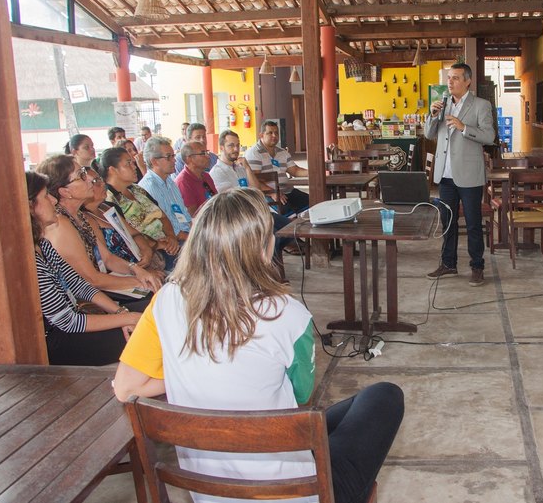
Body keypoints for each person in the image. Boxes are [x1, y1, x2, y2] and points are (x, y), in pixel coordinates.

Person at [113, 188, 404, 503]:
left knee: (330, 418)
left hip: (209, 493)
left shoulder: (165, 301)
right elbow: (300, 396)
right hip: (295, 492)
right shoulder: (288, 314)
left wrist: (187, 367)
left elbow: (126, 388)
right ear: (264, 249)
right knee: (383, 396)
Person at [26, 171, 143, 366]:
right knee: (146, 335)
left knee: (148, 316)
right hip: (59, 340)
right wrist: (127, 318)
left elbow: (79, 285)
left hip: (76, 321)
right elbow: (67, 321)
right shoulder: (30, 261)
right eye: (46, 196)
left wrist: (120, 313)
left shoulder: (43, 246)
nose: (53, 200)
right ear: (30, 207)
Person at [37, 155, 162, 301]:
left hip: (102, 289)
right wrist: (139, 281)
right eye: (81, 175)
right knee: (156, 297)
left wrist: (135, 269)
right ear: (65, 192)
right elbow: (92, 279)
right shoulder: (62, 223)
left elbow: (107, 258)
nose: (89, 179)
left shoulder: (80, 215)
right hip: (87, 300)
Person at [424, 63, 495, 287]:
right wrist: (432, 115)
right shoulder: (443, 104)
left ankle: (477, 267)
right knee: (448, 221)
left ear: (467, 81)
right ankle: (448, 263)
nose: (450, 82)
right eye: (449, 78)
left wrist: (464, 127)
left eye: (455, 78)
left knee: (473, 223)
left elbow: (489, 136)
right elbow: (428, 134)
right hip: (445, 175)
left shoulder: (481, 105)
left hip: (469, 175)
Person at [209, 129, 301, 256]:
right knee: (271, 237)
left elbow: (257, 190)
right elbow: (231, 200)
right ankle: (268, 261)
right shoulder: (217, 172)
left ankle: (271, 255)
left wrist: (247, 168)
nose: (236, 149)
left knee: (291, 228)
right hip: (239, 217)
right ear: (221, 148)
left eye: (238, 145)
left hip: (255, 212)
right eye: (231, 145)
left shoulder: (240, 167)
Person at [101, 147, 182, 267]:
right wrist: (158, 245)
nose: (134, 167)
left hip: (168, 244)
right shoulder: (109, 200)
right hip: (147, 253)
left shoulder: (137, 189)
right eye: (128, 164)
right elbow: (127, 235)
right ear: (112, 170)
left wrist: (171, 236)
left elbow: (163, 217)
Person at [82, 166, 161, 272]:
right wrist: (140, 271)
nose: (103, 183)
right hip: (124, 272)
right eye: (95, 181)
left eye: (100, 178)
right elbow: (107, 261)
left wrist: (146, 250)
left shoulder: (105, 207)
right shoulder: (86, 220)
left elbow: (134, 233)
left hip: (139, 263)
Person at [245, 120, 309, 215]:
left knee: (312, 203)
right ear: (261, 135)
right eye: (270, 133)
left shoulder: (282, 152)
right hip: (267, 194)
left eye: (276, 133)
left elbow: (295, 171)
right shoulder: (254, 153)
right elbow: (254, 180)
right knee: (289, 215)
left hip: (287, 191)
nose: (274, 135)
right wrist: (272, 193)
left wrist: (313, 172)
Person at [139, 137, 191, 242]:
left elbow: (183, 214)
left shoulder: (170, 181)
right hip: (172, 241)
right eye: (168, 157)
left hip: (186, 234)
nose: (174, 160)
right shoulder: (149, 187)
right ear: (154, 161)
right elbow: (163, 226)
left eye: (173, 156)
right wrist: (193, 239)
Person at [175, 141, 218, 216]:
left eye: (207, 152)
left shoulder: (206, 176)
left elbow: (217, 200)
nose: (208, 157)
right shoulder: (183, 182)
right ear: (189, 159)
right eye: (203, 153)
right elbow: (193, 215)